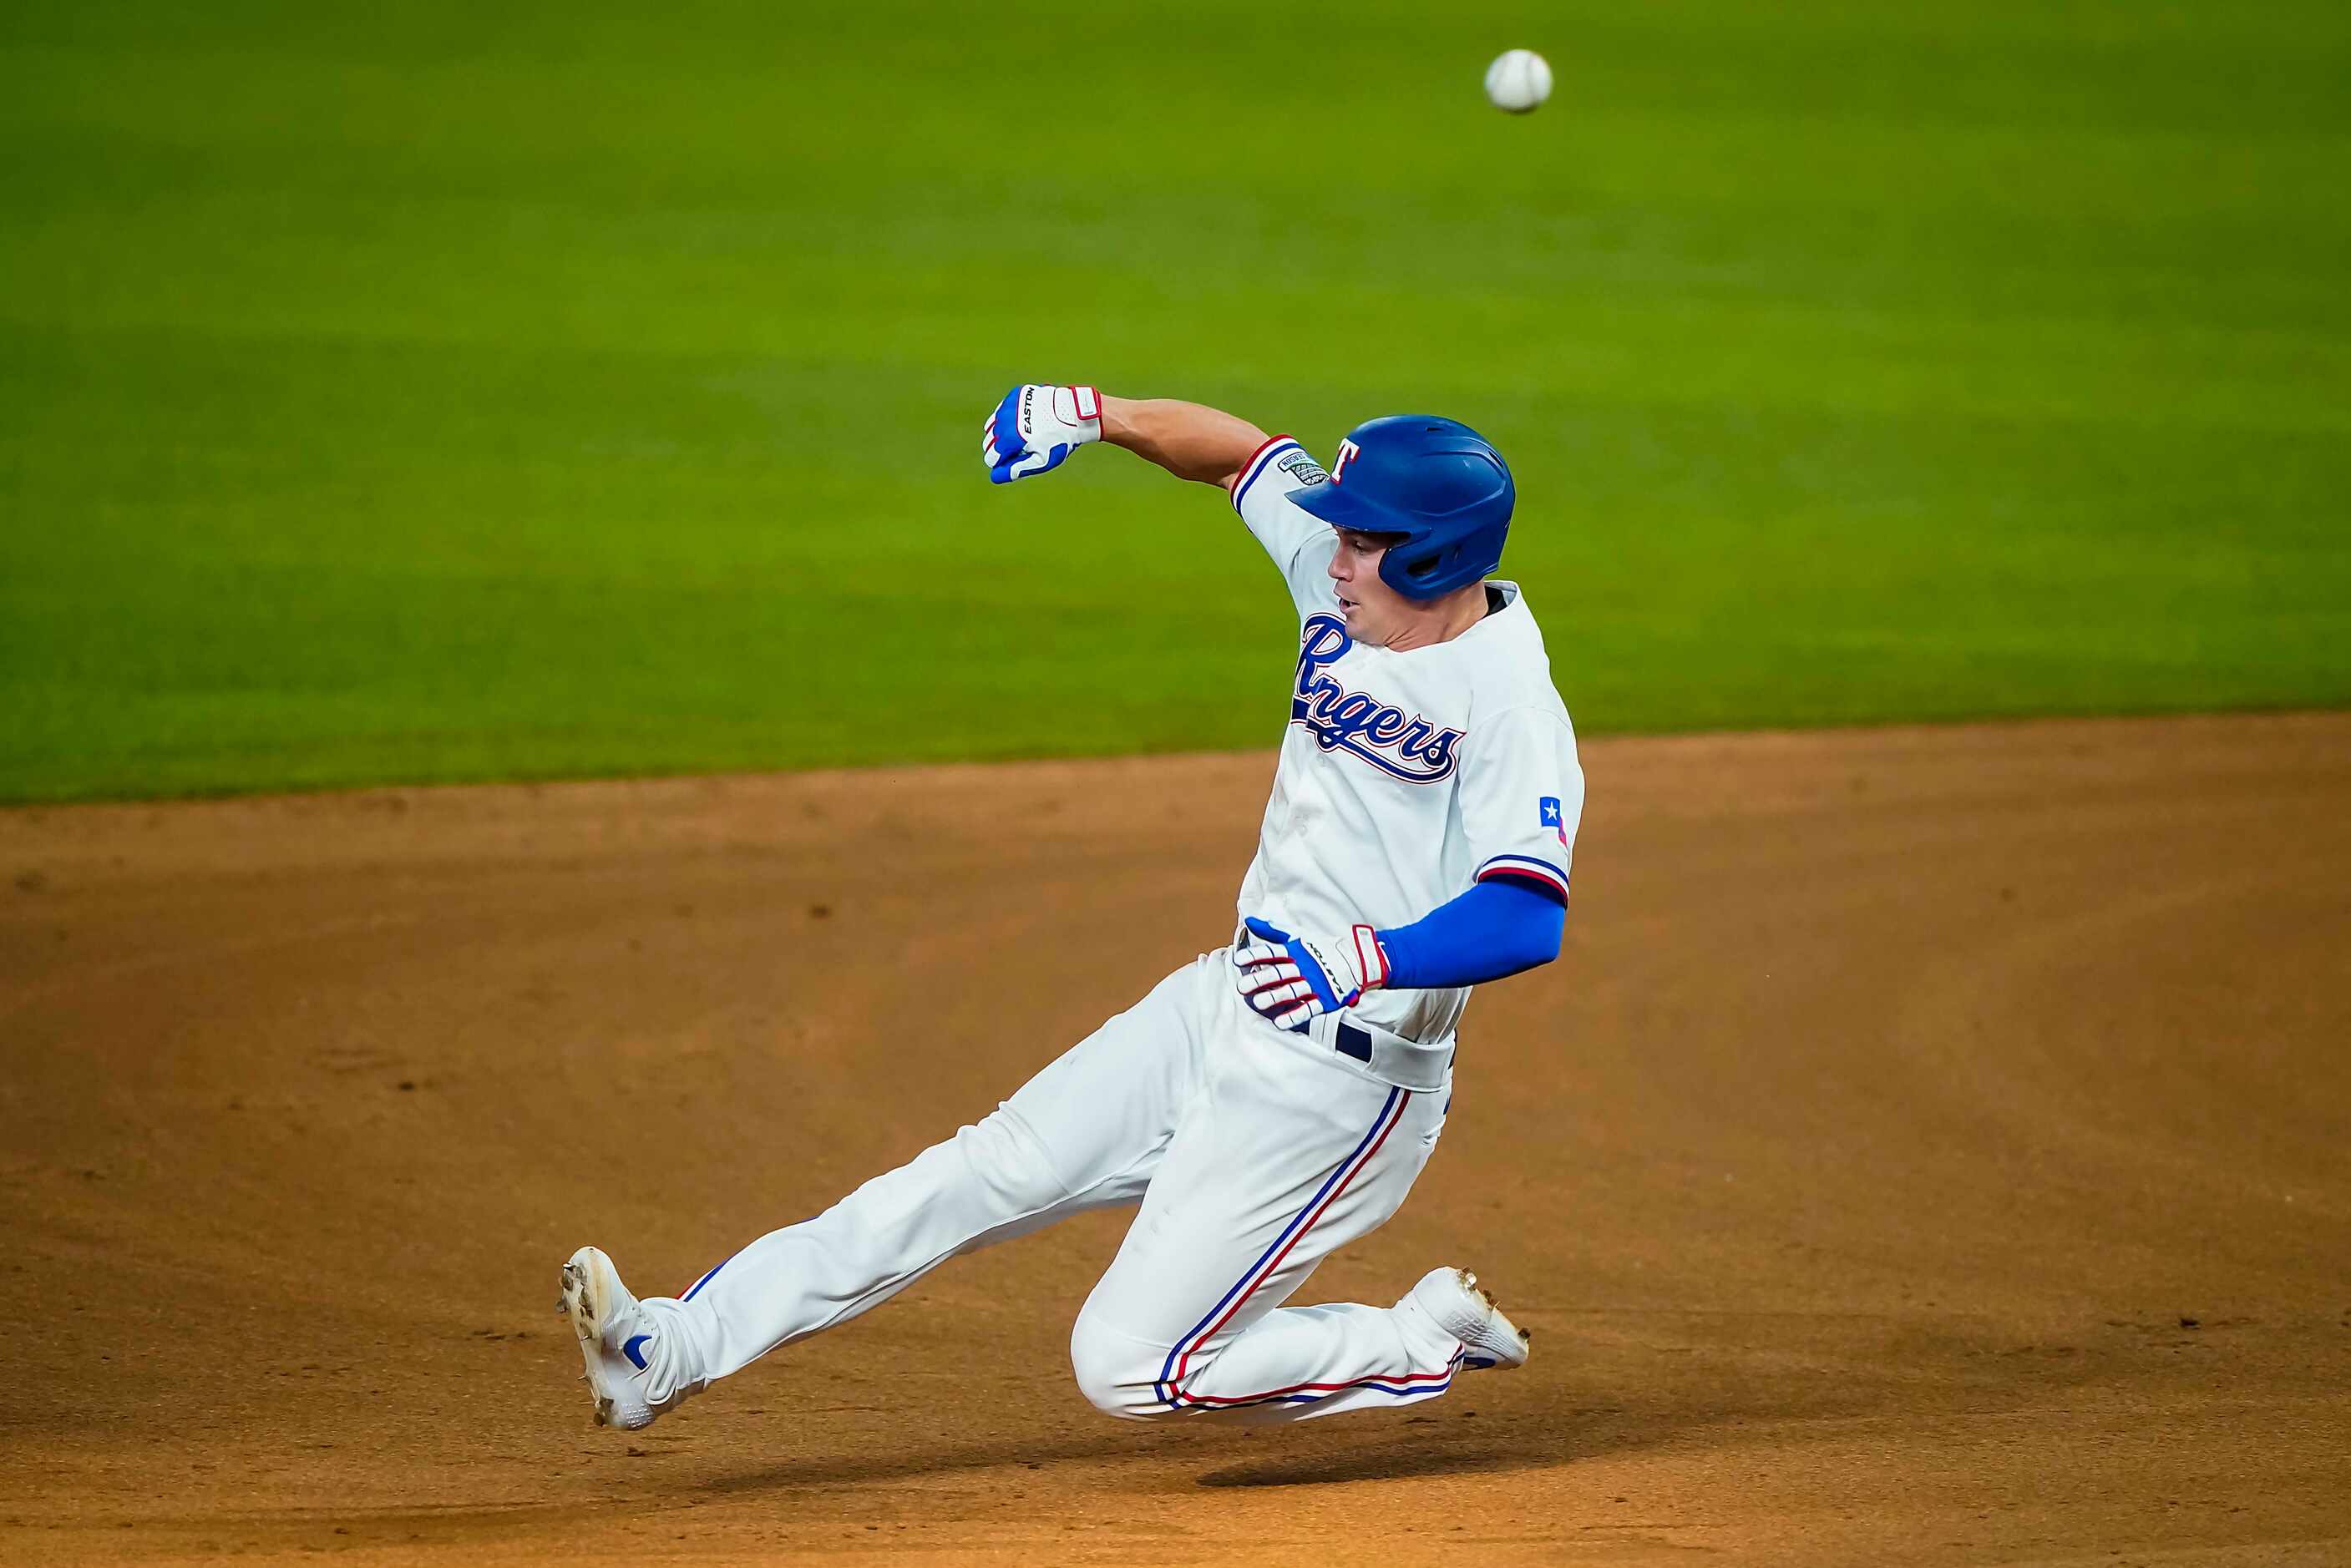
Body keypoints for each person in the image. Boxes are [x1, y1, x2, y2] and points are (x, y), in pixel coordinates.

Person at [560, 385, 1586, 1429]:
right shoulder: (1349, 595)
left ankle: (1414, 1341)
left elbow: (1522, 916)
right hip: (1226, 1001)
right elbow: (1245, 458)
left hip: (1343, 1088)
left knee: (1133, 1367)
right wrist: (1099, 412)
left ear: (1431, 557)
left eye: (1360, 543)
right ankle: (669, 1350)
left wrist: (1361, 959)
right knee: (971, 1174)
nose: (1331, 560)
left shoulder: (1508, 704)